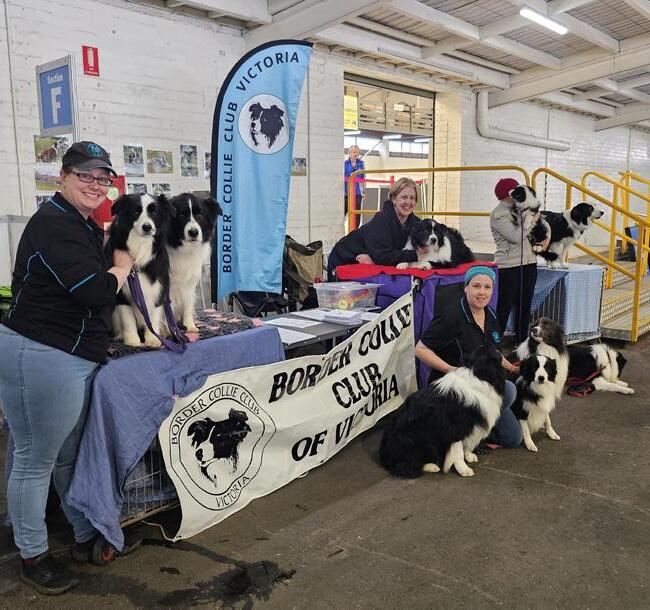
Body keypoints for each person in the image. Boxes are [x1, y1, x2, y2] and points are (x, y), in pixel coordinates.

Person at [0, 141, 140, 595]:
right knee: (34, 459)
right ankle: (33, 555)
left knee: (66, 456)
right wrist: (122, 265)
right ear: (62, 176)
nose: (95, 185)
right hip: (42, 353)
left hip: (73, 355)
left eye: (103, 179)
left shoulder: (80, 222)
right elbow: (95, 291)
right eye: (85, 176)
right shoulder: (53, 226)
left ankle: (83, 534)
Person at [414, 265, 523, 449]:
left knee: (513, 439)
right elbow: (420, 349)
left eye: (487, 287)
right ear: (466, 288)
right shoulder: (450, 316)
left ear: (492, 290)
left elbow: (493, 351)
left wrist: (512, 367)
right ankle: (464, 432)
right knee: (509, 390)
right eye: (476, 286)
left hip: (480, 384)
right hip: (455, 386)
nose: (482, 292)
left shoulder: (491, 315)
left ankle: (475, 429)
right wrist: (452, 370)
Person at [327, 177, 427, 281]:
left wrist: (376, 260)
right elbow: (384, 256)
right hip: (343, 259)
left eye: (412, 198)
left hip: (370, 259)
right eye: (404, 197)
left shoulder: (416, 224)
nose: (408, 202)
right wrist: (419, 254)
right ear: (393, 199)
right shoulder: (381, 220)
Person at [490, 178, 548, 343]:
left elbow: (545, 224)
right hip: (509, 266)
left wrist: (546, 238)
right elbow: (516, 237)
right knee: (504, 307)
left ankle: (522, 343)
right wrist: (532, 220)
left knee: (524, 307)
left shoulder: (523, 208)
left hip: (529, 263)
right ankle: (494, 344)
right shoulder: (498, 214)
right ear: (508, 195)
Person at [344, 145, 365, 218]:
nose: (355, 154)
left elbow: (363, 178)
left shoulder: (361, 163)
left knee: (357, 214)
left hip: (357, 193)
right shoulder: (345, 163)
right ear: (349, 153)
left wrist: (363, 191)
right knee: (344, 211)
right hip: (346, 192)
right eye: (353, 152)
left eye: (357, 152)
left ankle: (356, 226)